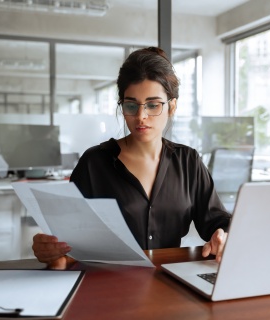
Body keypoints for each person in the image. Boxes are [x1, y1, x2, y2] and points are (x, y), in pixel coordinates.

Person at [32, 47, 231, 269]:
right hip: (108, 285)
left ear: (172, 106)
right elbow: (67, 240)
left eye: (153, 105)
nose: (141, 116)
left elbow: (217, 221)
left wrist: (224, 236)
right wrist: (49, 249)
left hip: (170, 281)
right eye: (131, 105)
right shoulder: (94, 163)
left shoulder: (188, 162)